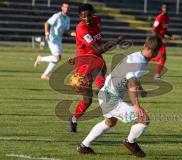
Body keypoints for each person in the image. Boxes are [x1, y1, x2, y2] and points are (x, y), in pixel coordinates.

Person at [76, 36, 162, 157]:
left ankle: (84, 146)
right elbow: (131, 82)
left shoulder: (137, 55)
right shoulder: (140, 62)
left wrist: (141, 89)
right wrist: (137, 106)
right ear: (156, 52)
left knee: (110, 122)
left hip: (105, 94)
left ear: (144, 45)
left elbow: (131, 77)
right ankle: (130, 142)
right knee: (144, 119)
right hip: (110, 98)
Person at [69, 4, 122, 132]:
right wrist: (116, 41)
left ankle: (108, 110)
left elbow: (97, 51)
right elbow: (98, 49)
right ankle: (74, 119)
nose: (87, 18)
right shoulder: (82, 29)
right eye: (83, 16)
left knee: (102, 88)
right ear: (79, 17)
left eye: (89, 15)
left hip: (97, 61)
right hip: (84, 65)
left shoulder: (96, 20)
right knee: (87, 101)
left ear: (93, 14)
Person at [34, 1, 75, 80]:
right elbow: (47, 23)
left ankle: (45, 75)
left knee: (56, 59)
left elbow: (67, 31)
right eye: (65, 7)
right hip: (52, 38)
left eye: (68, 7)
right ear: (62, 8)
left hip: (59, 39)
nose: (66, 9)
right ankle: (40, 59)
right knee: (57, 58)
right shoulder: (57, 16)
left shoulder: (68, 19)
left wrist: (75, 34)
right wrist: (46, 34)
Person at [151, 3, 175, 80]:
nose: (165, 9)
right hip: (157, 38)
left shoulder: (167, 18)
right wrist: (161, 38)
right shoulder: (159, 17)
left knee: (159, 57)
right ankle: (157, 75)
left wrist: (170, 35)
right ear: (162, 9)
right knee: (163, 56)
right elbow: (154, 30)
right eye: (164, 8)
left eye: (166, 8)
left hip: (161, 38)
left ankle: (143, 60)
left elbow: (164, 30)